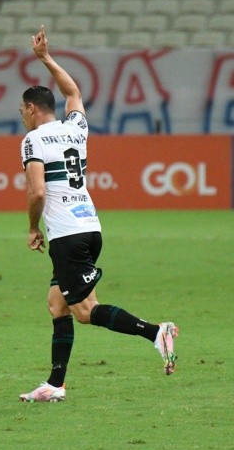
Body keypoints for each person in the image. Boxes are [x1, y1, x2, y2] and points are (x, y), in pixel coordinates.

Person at [18, 26, 178, 403]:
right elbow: (73, 92)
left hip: (67, 234)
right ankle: (55, 385)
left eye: (22, 110)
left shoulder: (33, 140)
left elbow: (37, 191)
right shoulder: (77, 127)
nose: (22, 117)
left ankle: (157, 332)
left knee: (86, 311)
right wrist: (45, 58)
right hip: (90, 224)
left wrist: (30, 228)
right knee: (58, 303)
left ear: (31, 109)